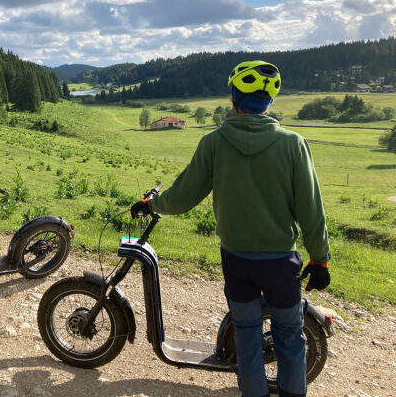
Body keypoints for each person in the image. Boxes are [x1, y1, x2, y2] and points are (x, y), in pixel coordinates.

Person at [130, 61, 330, 397]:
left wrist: (152, 204)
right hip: (281, 261)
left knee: (248, 335)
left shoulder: (214, 142)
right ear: (269, 104)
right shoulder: (293, 144)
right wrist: (319, 258)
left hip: (237, 259)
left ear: (233, 98)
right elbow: (311, 208)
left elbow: (182, 196)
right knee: (290, 338)